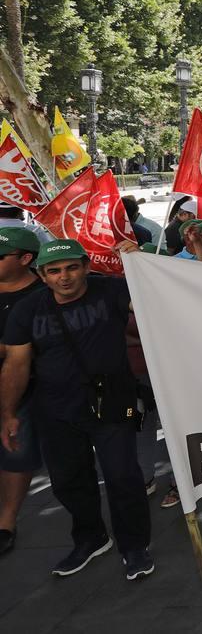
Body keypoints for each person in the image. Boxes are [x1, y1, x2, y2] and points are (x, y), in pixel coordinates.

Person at [0, 240, 155, 580]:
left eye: (71, 268)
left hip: (112, 403)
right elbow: (16, 363)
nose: (64, 277)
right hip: (55, 409)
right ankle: (91, 538)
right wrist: (8, 413)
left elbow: (152, 299)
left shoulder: (109, 290)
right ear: (42, 275)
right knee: (69, 480)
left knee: (122, 476)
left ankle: (134, 546)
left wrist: (139, 262)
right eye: (54, 271)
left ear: (86, 266)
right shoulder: (28, 310)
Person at [0, 228, 45, 554]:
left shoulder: (44, 294)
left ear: (25, 259)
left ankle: (7, 521)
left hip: (26, 389)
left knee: (16, 451)